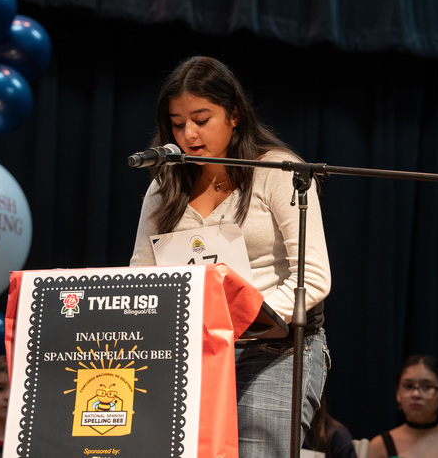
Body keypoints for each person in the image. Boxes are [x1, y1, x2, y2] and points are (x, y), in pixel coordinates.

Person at [130, 55, 332, 457]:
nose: (188, 134)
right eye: (177, 122)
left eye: (201, 120)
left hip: (276, 350)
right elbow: (142, 274)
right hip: (193, 348)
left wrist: (243, 318)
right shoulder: (165, 183)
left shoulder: (279, 170)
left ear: (235, 115)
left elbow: (313, 275)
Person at [368, 354, 438, 458]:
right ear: (398, 393)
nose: (416, 394)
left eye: (426, 387)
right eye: (408, 386)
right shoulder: (379, 446)